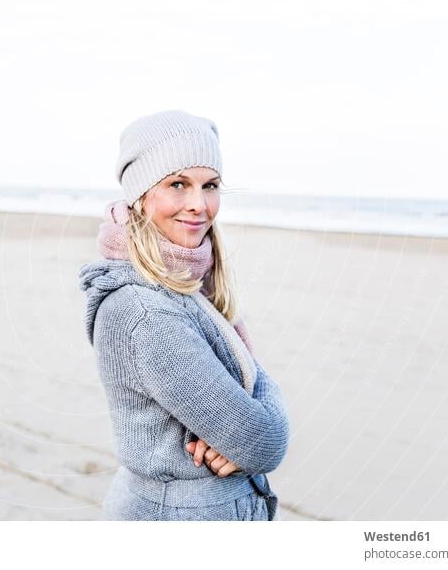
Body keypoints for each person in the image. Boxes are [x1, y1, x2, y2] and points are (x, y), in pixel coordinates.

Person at [77, 109, 290, 521]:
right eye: (178, 184)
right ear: (140, 195)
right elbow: (264, 442)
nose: (198, 205)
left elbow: (252, 427)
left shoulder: (185, 283)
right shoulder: (144, 313)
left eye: (209, 186)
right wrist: (264, 414)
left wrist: (251, 415)